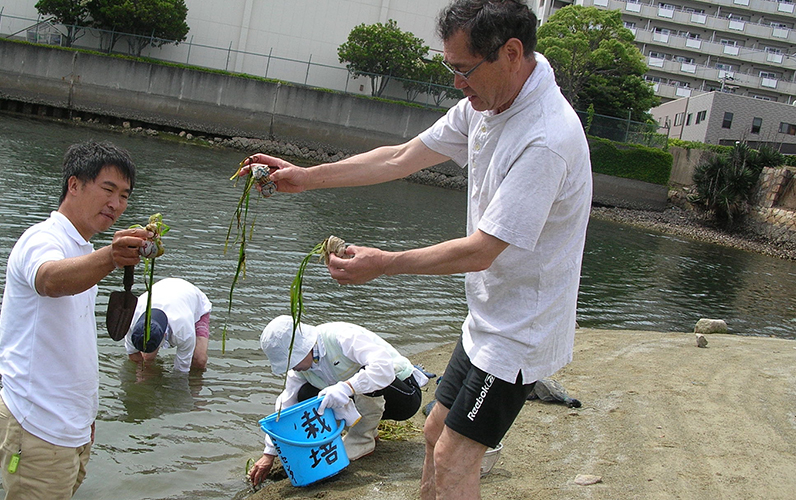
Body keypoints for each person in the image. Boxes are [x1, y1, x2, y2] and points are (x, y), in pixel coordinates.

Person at [238, 1, 592, 497]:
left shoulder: (545, 139)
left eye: (463, 69)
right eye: (449, 67)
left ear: (511, 53)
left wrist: (385, 264)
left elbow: (481, 250)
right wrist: (304, 179)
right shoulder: (486, 105)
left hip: (519, 333)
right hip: (486, 317)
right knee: (432, 433)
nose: (456, 83)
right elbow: (402, 157)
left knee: (454, 457)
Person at [0, 140, 153, 499]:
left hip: (69, 430)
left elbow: (72, 342)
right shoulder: (42, 239)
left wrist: (85, 419)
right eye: (108, 189)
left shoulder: (81, 247)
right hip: (36, 429)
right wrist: (111, 257)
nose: (116, 204)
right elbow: (49, 280)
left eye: (124, 195)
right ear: (74, 185)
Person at [248, 315, 429, 486]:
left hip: (404, 394)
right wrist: (269, 453)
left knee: (366, 377)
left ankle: (361, 440)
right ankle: (367, 431)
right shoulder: (299, 370)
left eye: (293, 361)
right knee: (304, 395)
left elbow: (384, 369)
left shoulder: (341, 337)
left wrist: (346, 387)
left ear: (305, 347)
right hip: (367, 402)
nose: (293, 367)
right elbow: (286, 405)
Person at [124, 277, 212, 373]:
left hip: (194, 302)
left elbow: (181, 370)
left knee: (199, 360)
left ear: (164, 335)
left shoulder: (183, 329)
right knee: (146, 359)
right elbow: (133, 354)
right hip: (163, 292)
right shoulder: (131, 320)